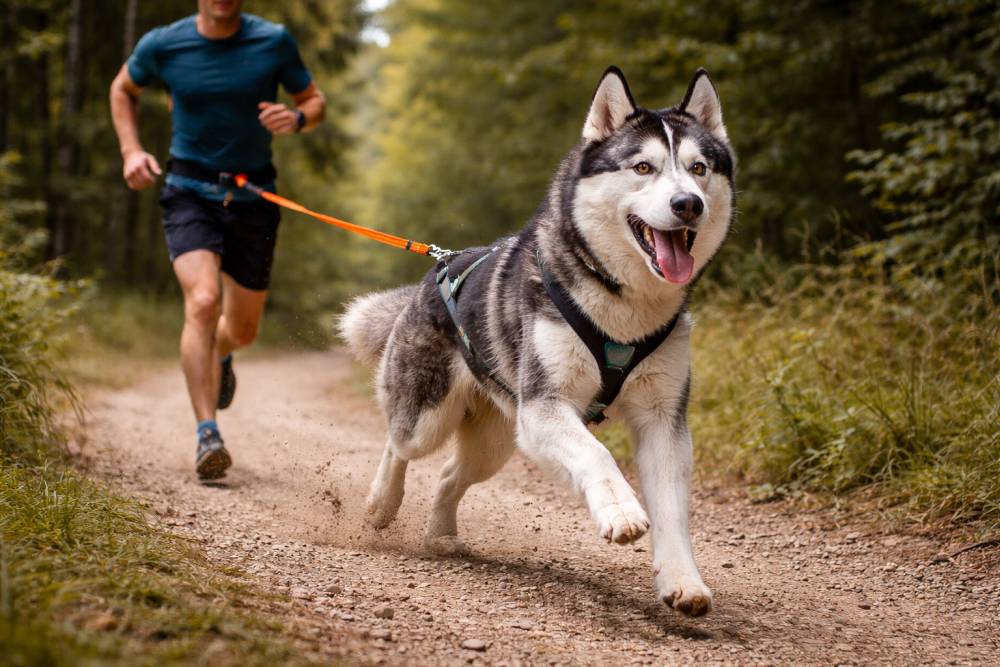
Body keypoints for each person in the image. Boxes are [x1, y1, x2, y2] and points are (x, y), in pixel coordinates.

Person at [109, 0, 325, 479]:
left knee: (242, 330)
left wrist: (299, 118)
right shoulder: (165, 43)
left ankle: (222, 352)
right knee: (203, 302)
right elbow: (123, 88)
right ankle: (207, 433)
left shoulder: (273, 41)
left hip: (254, 197)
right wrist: (130, 150)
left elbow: (315, 101)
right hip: (189, 191)